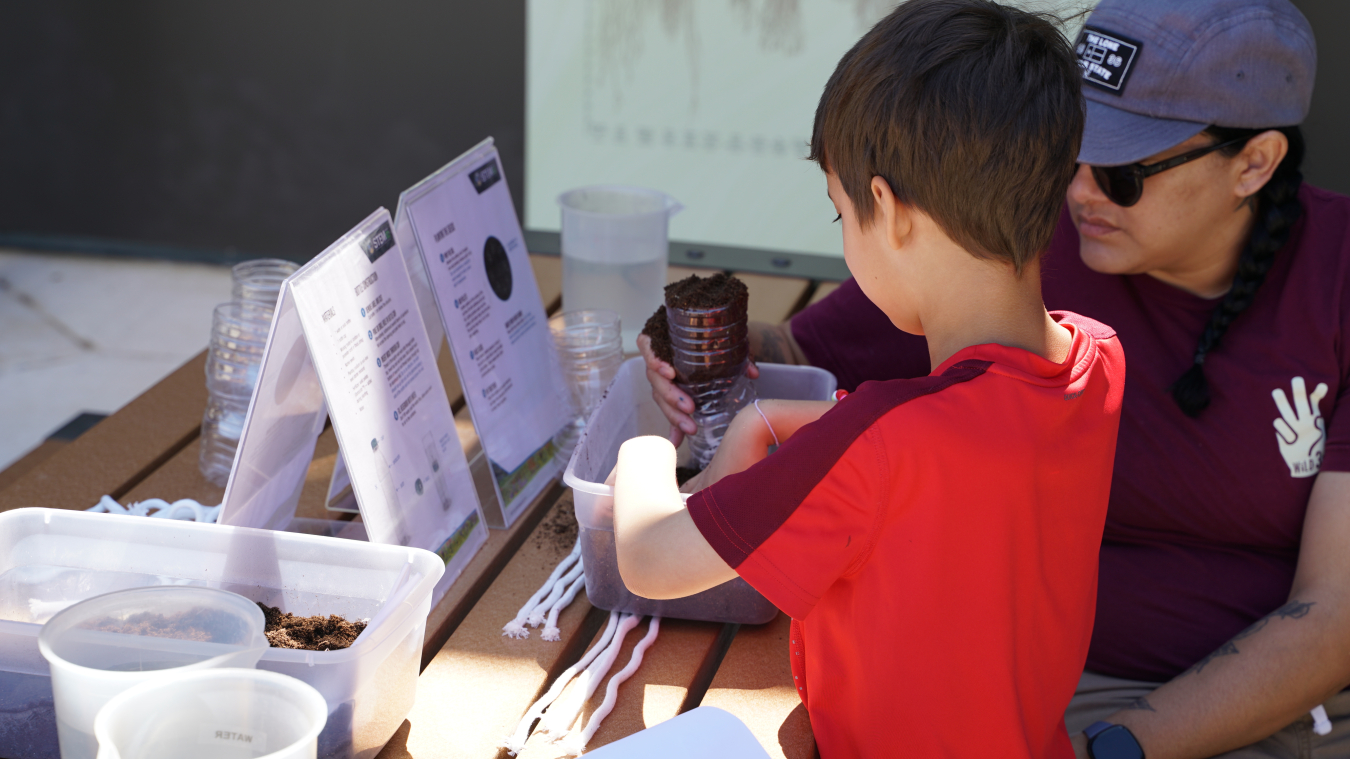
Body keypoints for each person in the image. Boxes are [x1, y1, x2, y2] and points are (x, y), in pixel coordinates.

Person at [640, 0, 1350, 756]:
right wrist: (703, 348)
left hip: (1253, 719)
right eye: (1066, 154)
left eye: (1120, 171)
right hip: (1029, 699)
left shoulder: (1332, 281)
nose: (1077, 193)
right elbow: (808, 350)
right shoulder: (1018, 240)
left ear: (1255, 162)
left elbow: (1335, 613)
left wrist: (1116, 746)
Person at [612, 1, 1125, 756]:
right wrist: (789, 423)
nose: (847, 236)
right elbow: (971, 457)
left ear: (890, 209)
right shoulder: (1099, 359)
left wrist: (645, 444)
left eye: (839, 215)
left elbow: (649, 558)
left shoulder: (882, 441)